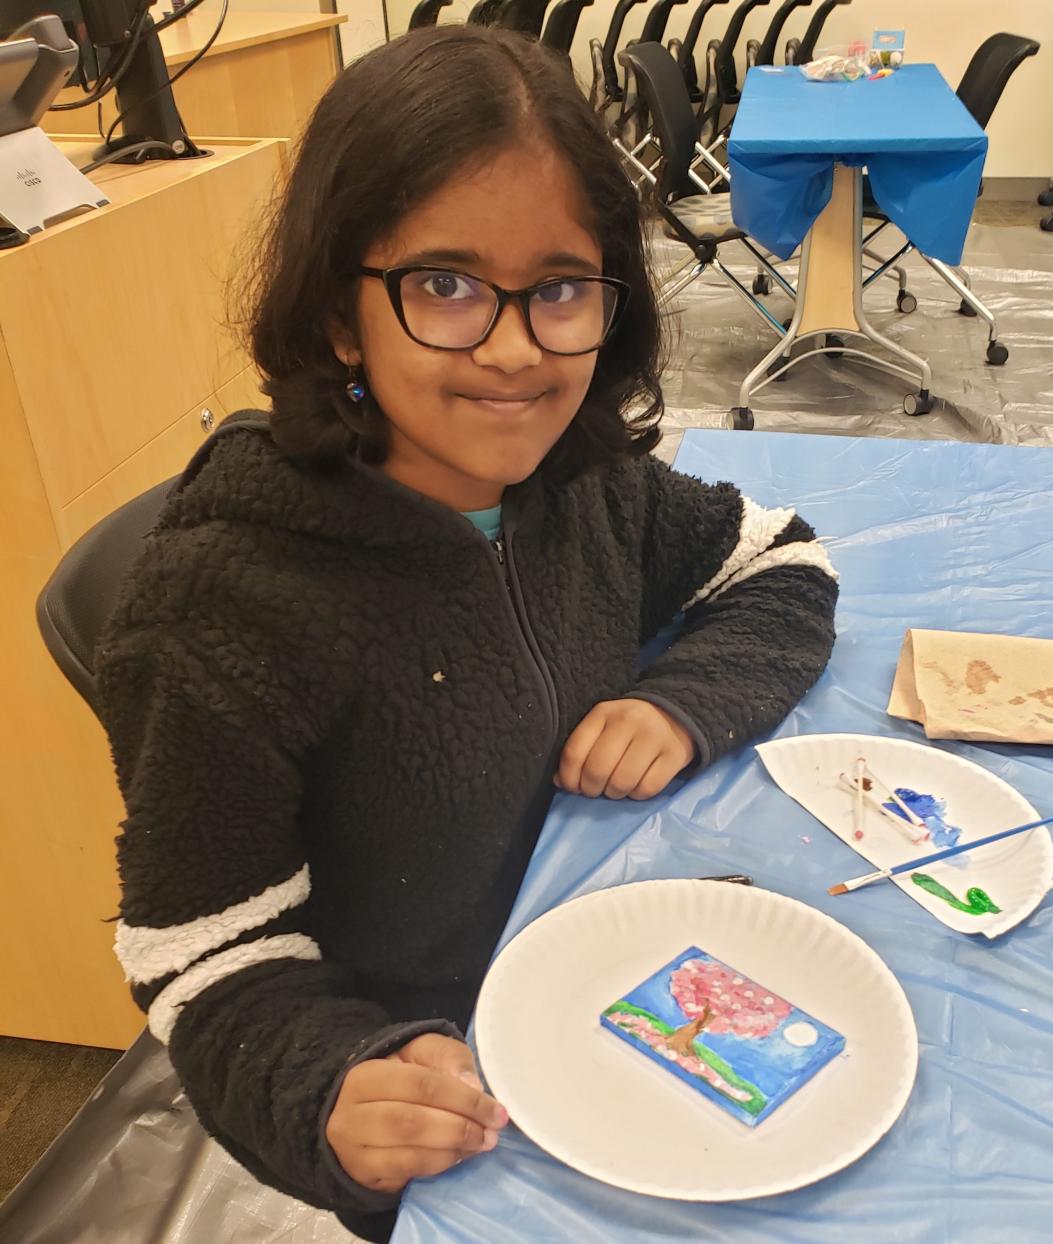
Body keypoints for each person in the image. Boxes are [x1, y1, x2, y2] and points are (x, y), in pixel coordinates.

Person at [94, 24, 837, 1243]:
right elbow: (202, 948)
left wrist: (680, 700)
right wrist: (327, 1085)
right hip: (452, 1082)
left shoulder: (583, 479)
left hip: (615, 974)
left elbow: (783, 561)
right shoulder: (224, 607)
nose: (512, 349)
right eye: (443, 284)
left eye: (559, 289)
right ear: (341, 315)